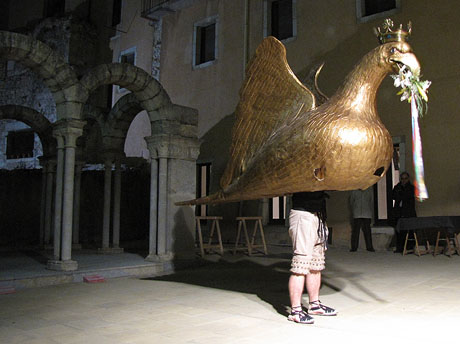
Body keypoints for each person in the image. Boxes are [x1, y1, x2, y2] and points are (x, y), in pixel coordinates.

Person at [287, 191, 337, 324]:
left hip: (318, 216)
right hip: (302, 215)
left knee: (316, 264)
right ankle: (295, 310)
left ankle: (314, 304)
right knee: (300, 265)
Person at [391, 172, 417, 252]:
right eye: (402, 179)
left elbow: (407, 197)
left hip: (408, 212)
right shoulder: (397, 187)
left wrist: (401, 194)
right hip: (399, 212)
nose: (403, 181)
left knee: (409, 231)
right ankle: (400, 247)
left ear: (408, 179)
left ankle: (409, 247)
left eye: (405, 179)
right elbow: (393, 196)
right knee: (399, 230)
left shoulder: (411, 188)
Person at [349, 187, 375, 252]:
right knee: (355, 231)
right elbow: (351, 201)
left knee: (367, 231)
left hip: (366, 213)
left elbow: (371, 201)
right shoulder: (354, 191)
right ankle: (354, 247)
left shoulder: (369, 190)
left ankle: (369, 247)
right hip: (357, 213)